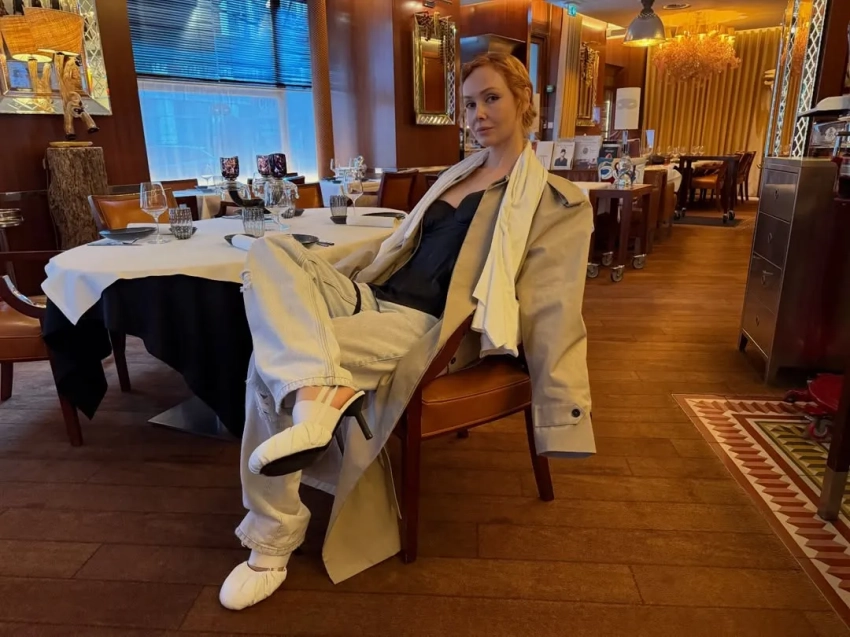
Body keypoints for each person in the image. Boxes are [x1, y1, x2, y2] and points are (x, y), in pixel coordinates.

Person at [220, 52, 594, 611]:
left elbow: (553, 305)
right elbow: (401, 248)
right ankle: (318, 390)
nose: (478, 114)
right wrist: (325, 273)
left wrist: (563, 413)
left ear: (524, 101)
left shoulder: (554, 200)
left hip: (429, 328)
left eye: (491, 98)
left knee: (267, 364)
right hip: (374, 295)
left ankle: (269, 543)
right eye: (470, 103)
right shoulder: (455, 175)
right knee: (270, 249)